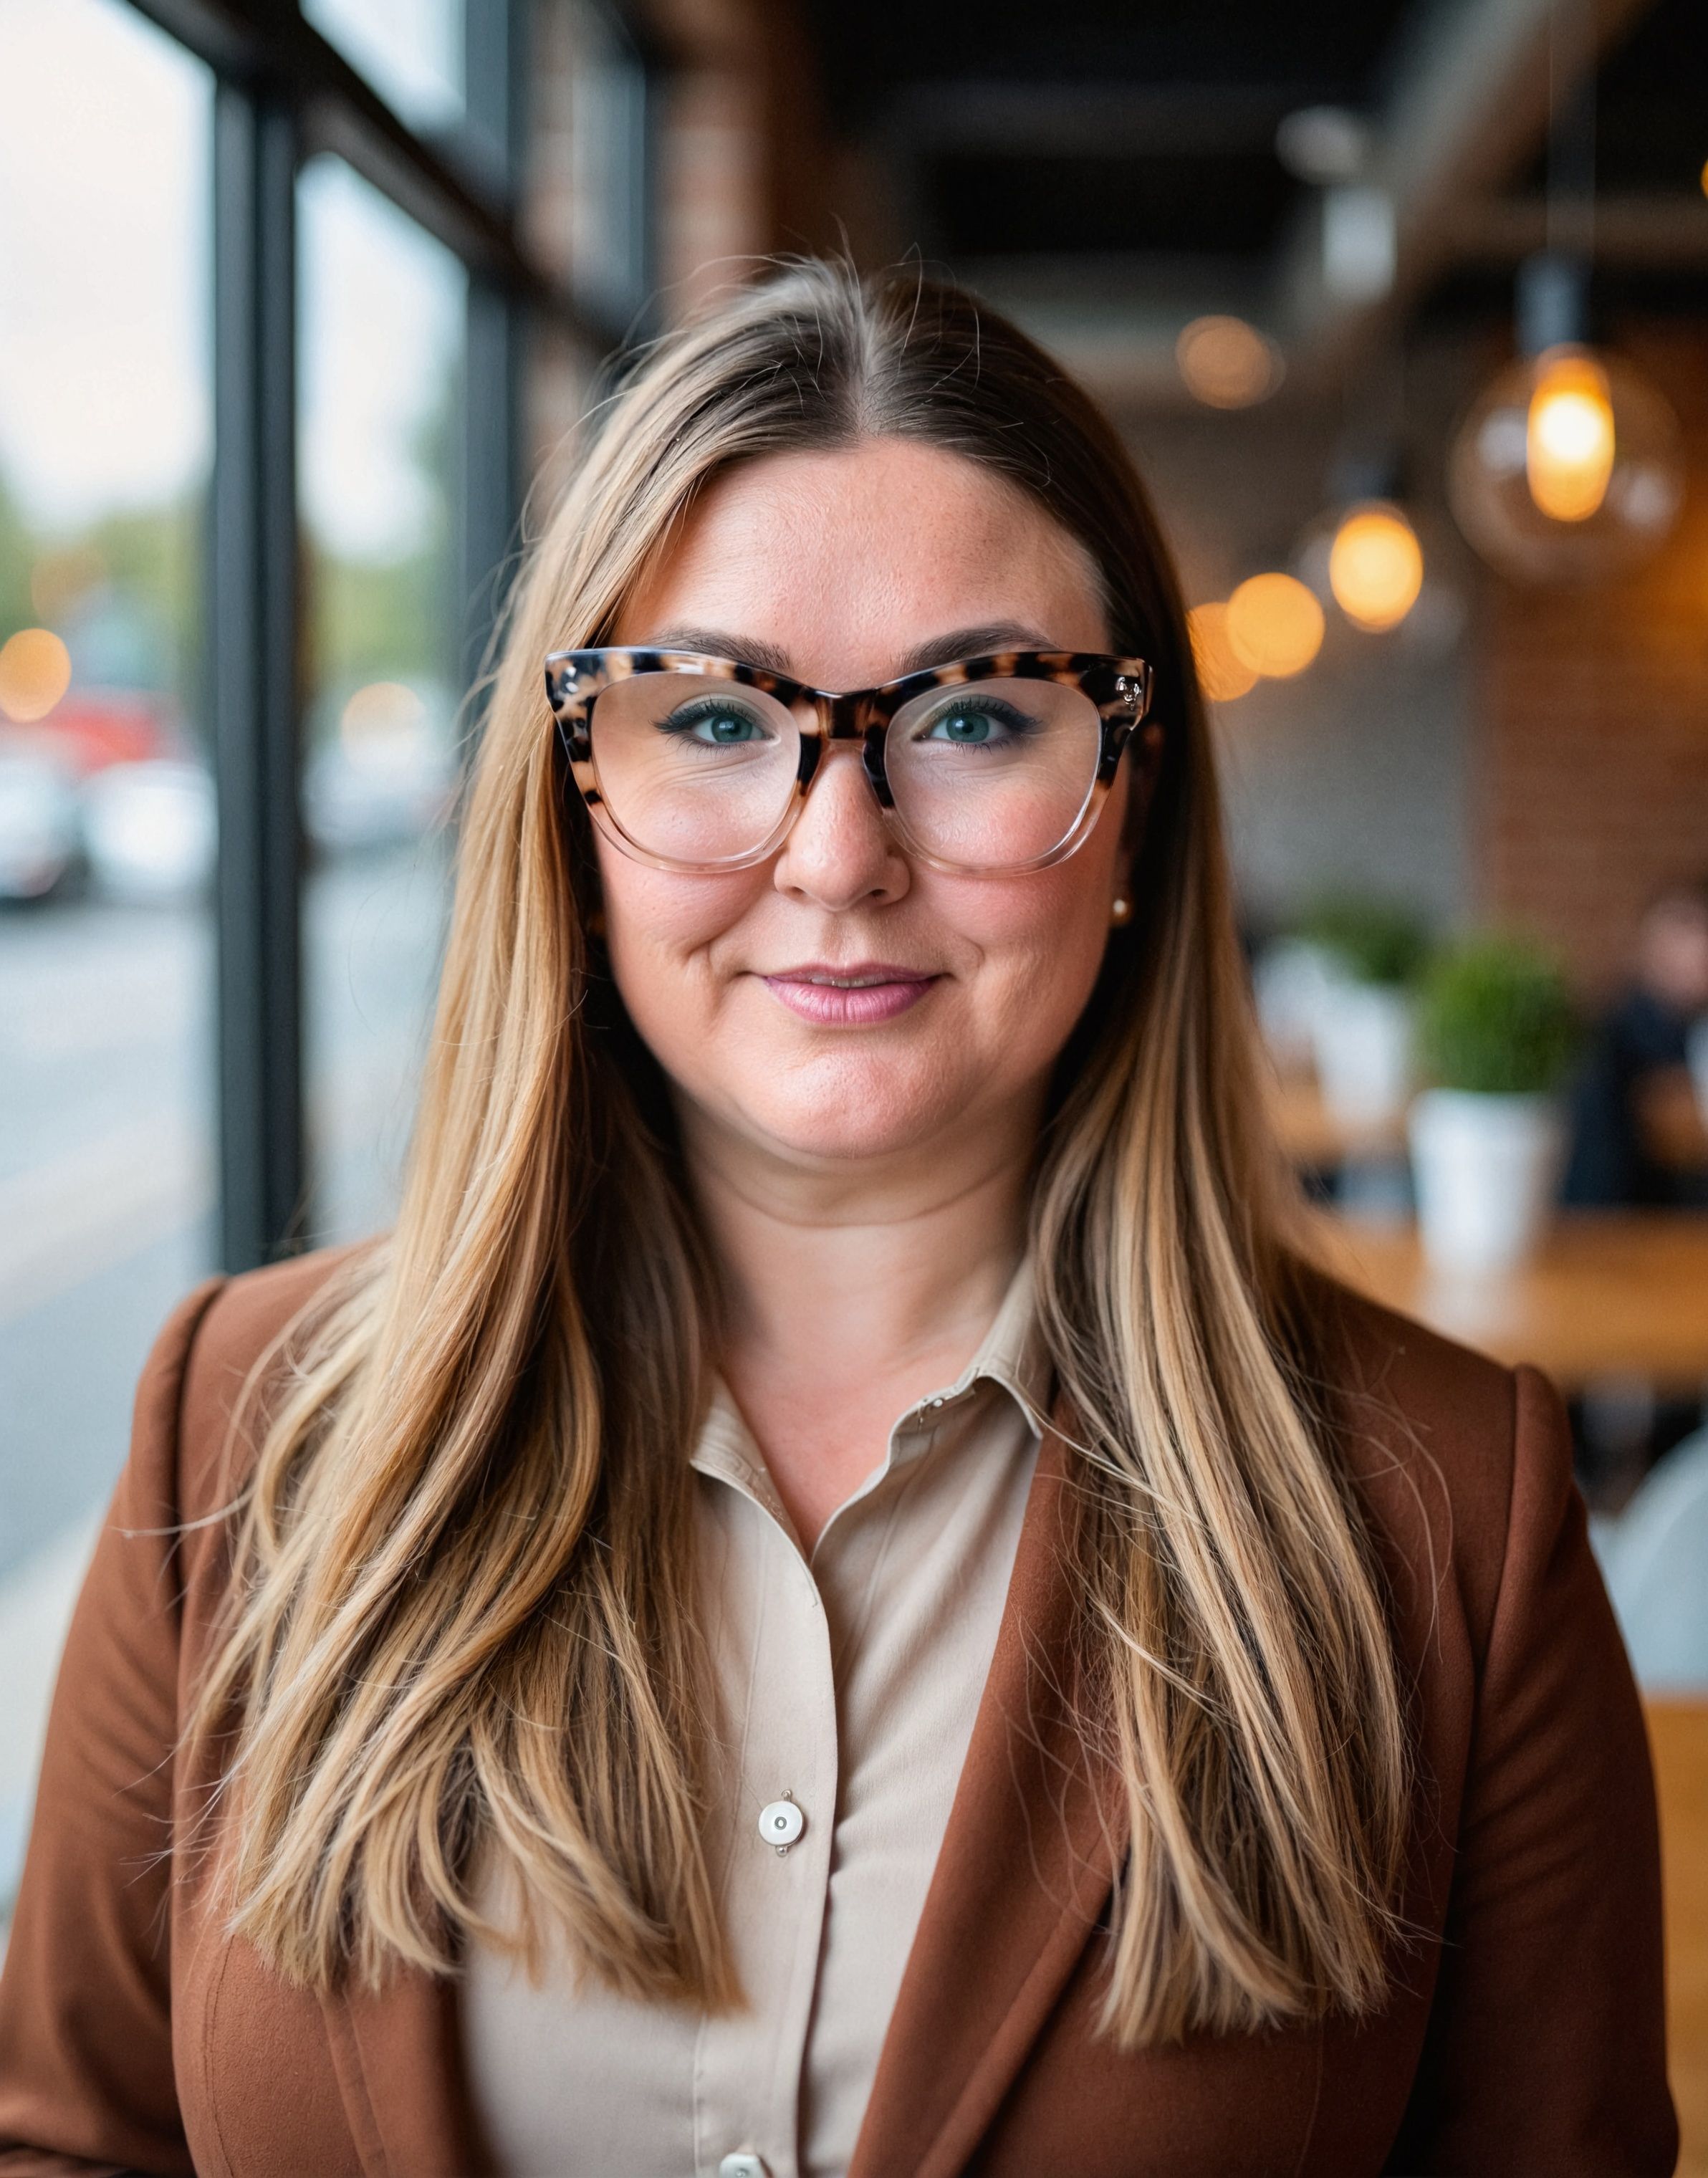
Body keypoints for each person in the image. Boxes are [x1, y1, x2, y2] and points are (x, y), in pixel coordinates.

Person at [0, 264, 1675, 2177]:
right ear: (576, 798)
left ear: (1133, 801)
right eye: (715, 717)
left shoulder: (1450, 1514)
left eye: (971, 718)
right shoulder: (237, 1429)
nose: (836, 852)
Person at [1563, 875, 1708, 1209]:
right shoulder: (1605, 1041)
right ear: (1648, 947)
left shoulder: (1694, 1031)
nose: (1699, 947)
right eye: (1683, 931)